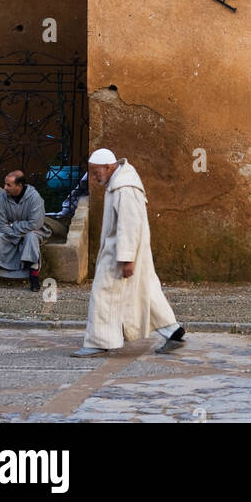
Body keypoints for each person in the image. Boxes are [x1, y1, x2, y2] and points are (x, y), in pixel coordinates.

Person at [71, 148, 186, 357]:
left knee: (103, 292)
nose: (94, 177)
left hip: (120, 254)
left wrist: (126, 259)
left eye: (96, 172)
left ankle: (99, 341)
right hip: (128, 252)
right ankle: (173, 331)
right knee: (145, 291)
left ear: (108, 167)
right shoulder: (120, 184)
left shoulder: (124, 189)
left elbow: (129, 225)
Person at [0, 170, 50, 292]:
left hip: (32, 231)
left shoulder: (35, 198)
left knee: (31, 237)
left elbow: (35, 223)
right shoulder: (2, 197)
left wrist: (13, 225)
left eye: (9, 185)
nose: (4, 188)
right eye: (5, 184)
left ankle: (34, 278)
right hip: (10, 232)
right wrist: (17, 233)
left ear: (19, 186)